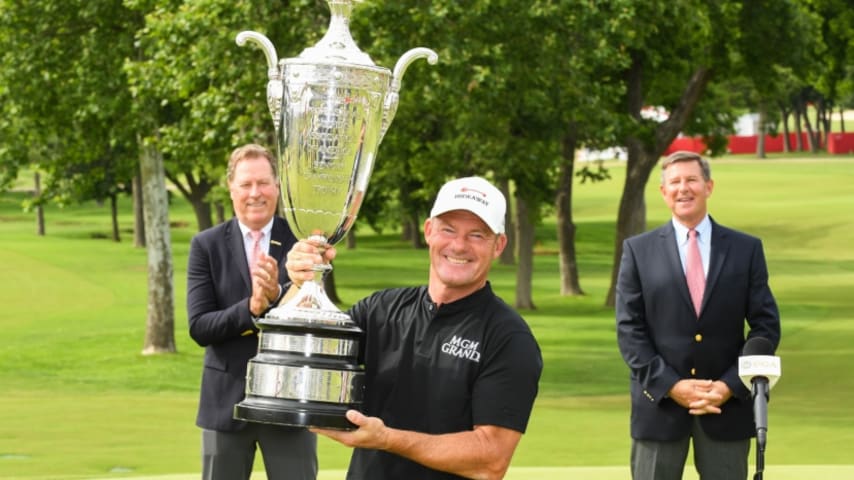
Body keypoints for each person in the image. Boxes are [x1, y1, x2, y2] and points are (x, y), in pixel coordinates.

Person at [284, 176, 543, 480]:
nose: (459, 245)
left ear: (498, 245)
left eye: (477, 235)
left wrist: (387, 439)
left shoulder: (508, 337)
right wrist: (300, 284)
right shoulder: (382, 309)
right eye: (448, 230)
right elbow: (301, 356)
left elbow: (490, 460)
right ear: (429, 231)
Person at [615, 150, 781, 480]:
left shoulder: (745, 249)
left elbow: (766, 326)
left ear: (709, 186)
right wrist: (672, 385)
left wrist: (730, 385)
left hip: (727, 408)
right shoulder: (638, 250)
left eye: (691, 179)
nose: (683, 188)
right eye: (674, 182)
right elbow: (629, 330)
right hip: (658, 407)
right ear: (663, 192)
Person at [186, 144, 317, 480]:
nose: (255, 193)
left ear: (277, 186)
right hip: (225, 404)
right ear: (231, 190)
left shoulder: (303, 241)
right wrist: (253, 308)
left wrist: (278, 295)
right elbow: (200, 327)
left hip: (289, 402)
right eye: (246, 185)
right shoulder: (206, 245)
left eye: (263, 183)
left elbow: (316, 318)